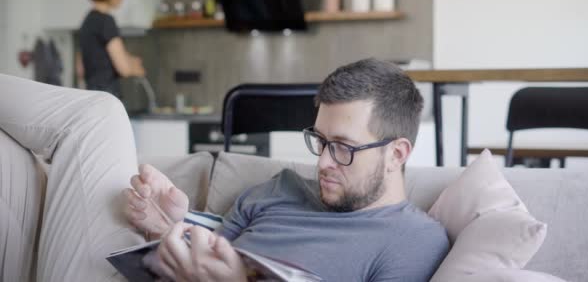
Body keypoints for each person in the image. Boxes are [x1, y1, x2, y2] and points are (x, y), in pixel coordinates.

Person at [0, 58, 448, 282]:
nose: (323, 162)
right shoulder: (283, 189)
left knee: (98, 114)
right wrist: (170, 223)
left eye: (344, 149)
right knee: (9, 159)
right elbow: (214, 249)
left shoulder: (412, 240)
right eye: (320, 141)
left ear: (397, 153)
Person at [78, 0, 145, 98]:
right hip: (108, 96)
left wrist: (129, 60)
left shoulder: (87, 21)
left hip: (91, 95)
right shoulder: (106, 21)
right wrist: (136, 69)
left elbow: (80, 68)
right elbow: (124, 69)